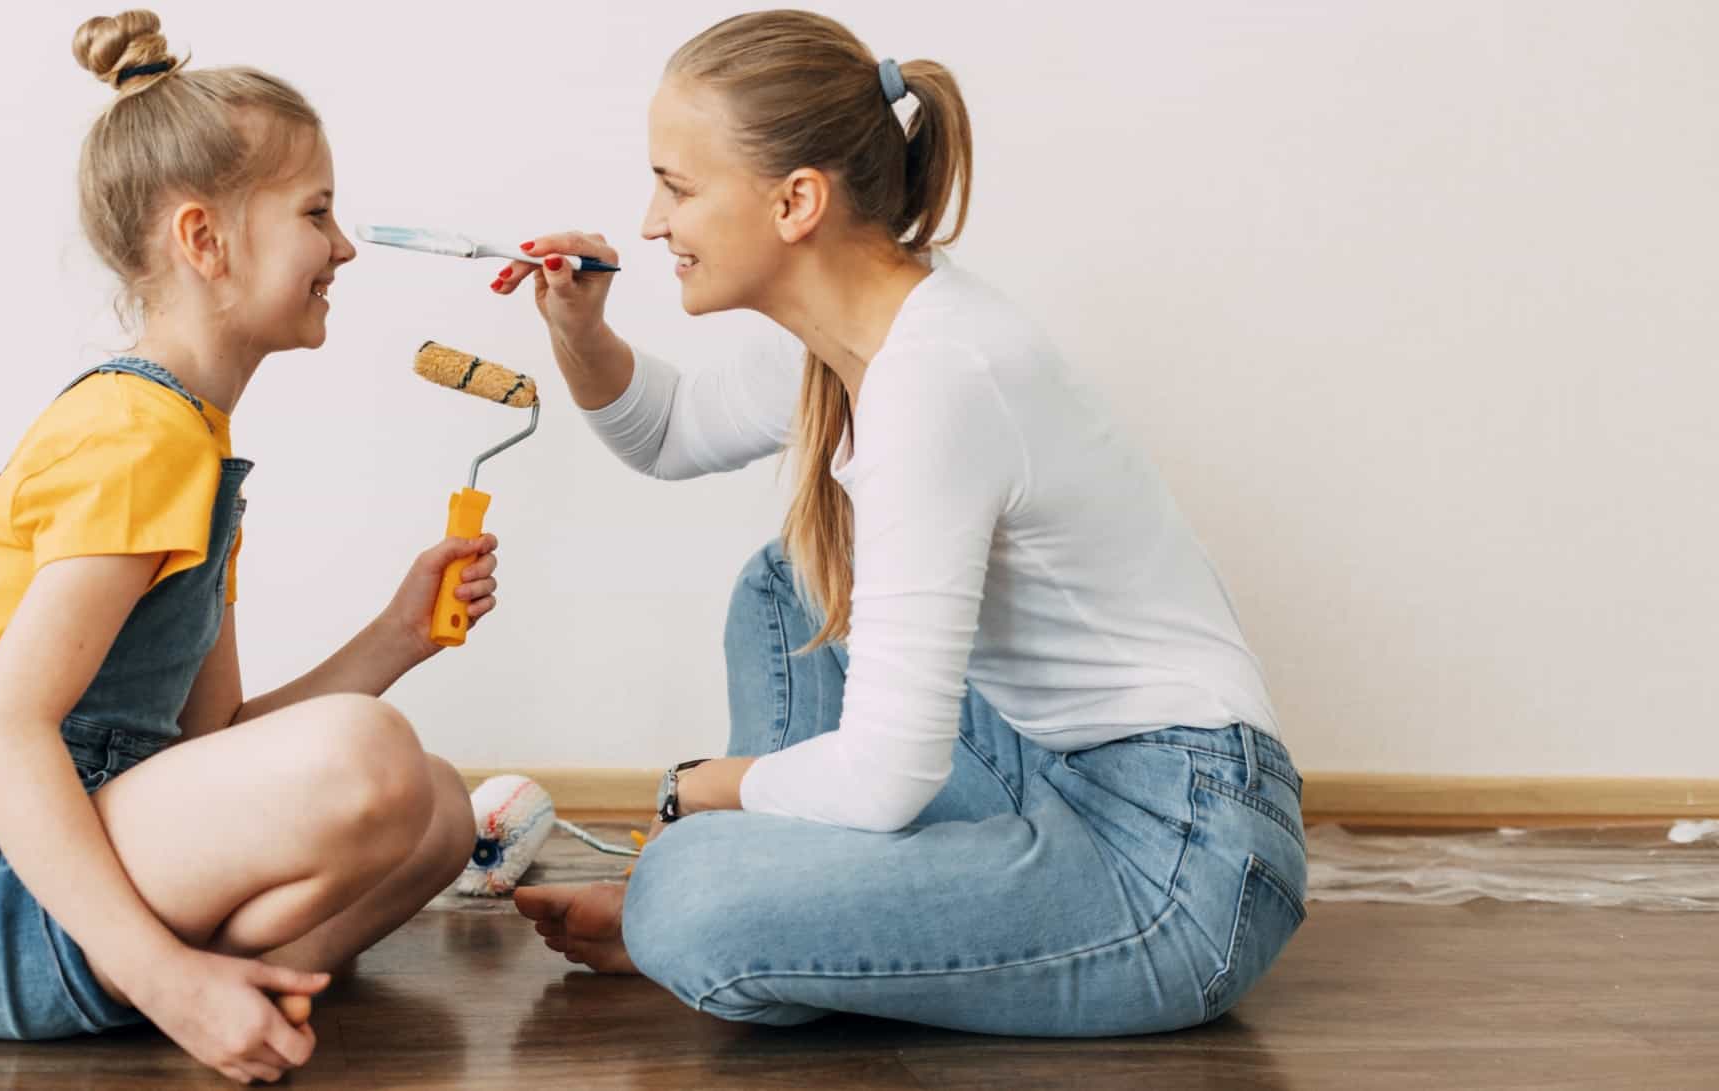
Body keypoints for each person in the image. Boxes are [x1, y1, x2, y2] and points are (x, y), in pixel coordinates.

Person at [502, 9, 1307, 1037]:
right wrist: (580, 328)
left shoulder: (937, 379)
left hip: (1175, 860)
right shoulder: (863, 325)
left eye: (677, 185)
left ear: (795, 201)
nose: (653, 223)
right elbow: (665, 431)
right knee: (781, 581)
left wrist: (695, 790)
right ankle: (786, 910)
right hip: (1048, 769)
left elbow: (886, 775)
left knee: (687, 893)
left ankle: (750, 915)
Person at [0, 11, 489, 1083]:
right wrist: (159, 967)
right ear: (205, 239)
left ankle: (228, 987)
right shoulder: (138, 433)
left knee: (440, 805)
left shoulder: (196, 444)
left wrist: (395, 635)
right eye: (317, 213)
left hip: (88, 834)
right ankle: (181, 983)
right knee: (369, 752)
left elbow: (212, 738)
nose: (343, 246)